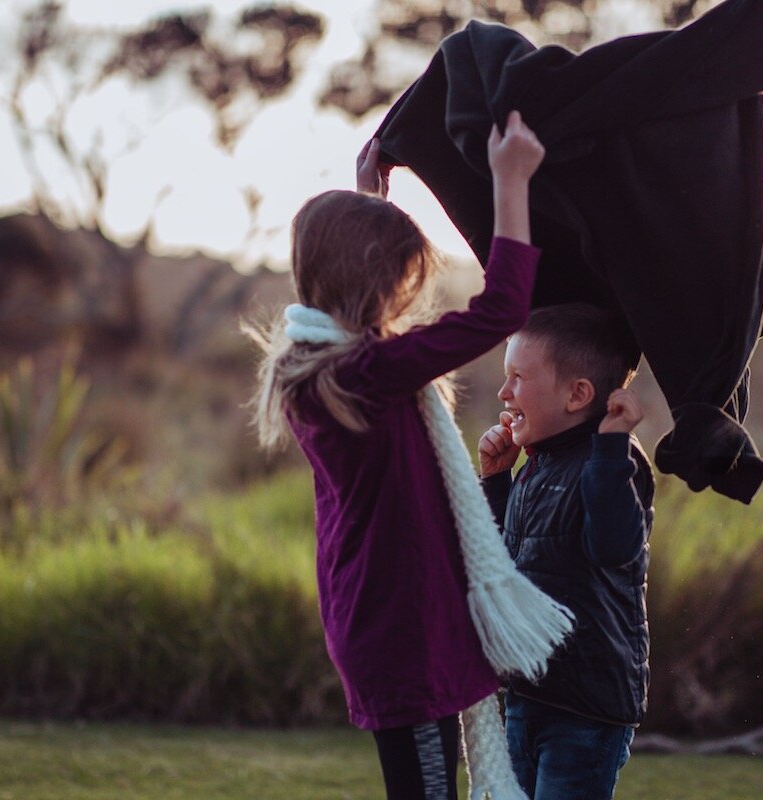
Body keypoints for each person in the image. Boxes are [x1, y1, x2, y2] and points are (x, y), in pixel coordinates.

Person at [252, 111, 554, 800]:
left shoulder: (321, 364)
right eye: (397, 280)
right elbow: (500, 310)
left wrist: (369, 202)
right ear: (371, 283)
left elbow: (353, 277)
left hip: (387, 615)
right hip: (400, 627)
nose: (403, 296)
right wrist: (512, 183)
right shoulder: (365, 375)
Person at [478, 303, 656, 799]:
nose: (504, 393)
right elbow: (499, 564)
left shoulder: (616, 464)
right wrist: (496, 482)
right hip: (528, 694)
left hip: (586, 708)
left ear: (578, 395)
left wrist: (612, 449)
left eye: (518, 377)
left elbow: (614, 546)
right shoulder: (537, 464)